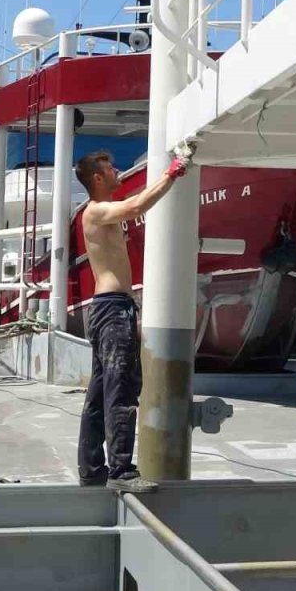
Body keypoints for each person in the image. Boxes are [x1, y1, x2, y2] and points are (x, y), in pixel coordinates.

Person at [75, 149, 189, 493]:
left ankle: (92, 469)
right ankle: (121, 471)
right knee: (121, 389)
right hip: (112, 311)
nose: (118, 171)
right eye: (111, 168)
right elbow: (137, 207)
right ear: (98, 178)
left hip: (108, 308)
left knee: (99, 394)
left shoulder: (98, 214)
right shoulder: (96, 211)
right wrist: (172, 174)